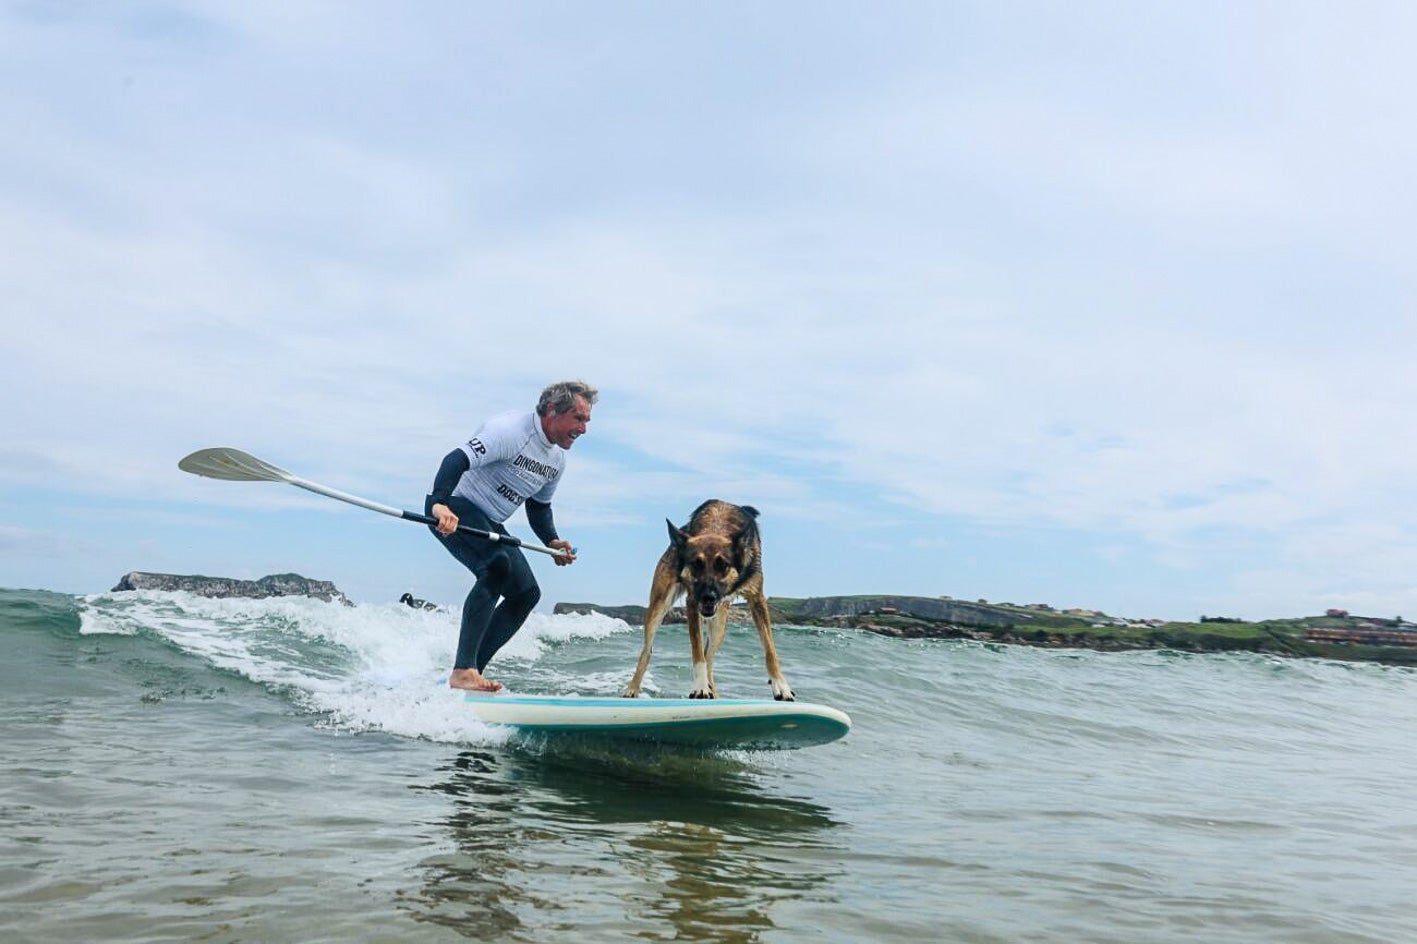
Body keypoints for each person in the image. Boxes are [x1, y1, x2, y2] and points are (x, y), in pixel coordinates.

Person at [426, 380, 596, 691]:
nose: (583, 429)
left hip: (489, 521)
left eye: (586, 421)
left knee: (526, 593)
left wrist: (552, 541)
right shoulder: (510, 432)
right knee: (496, 566)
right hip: (453, 506)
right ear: (551, 411)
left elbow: (539, 506)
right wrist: (438, 503)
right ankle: (463, 671)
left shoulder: (556, 460)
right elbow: (456, 459)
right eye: (578, 418)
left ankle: (470, 672)